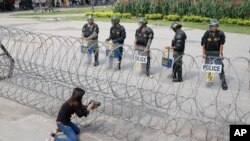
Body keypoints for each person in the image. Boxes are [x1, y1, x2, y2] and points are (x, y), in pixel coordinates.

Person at [201, 19, 228, 90]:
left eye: (215, 26)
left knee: (220, 67)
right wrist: (203, 53)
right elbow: (203, 44)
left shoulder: (221, 33)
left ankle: (223, 82)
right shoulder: (207, 33)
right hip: (208, 53)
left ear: (217, 26)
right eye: (212, 26)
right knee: (209, 67)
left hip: (216, 53)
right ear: (210, 26)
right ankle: (210, 80)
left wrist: (221, 54)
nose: (214, 27)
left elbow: (221, 45)